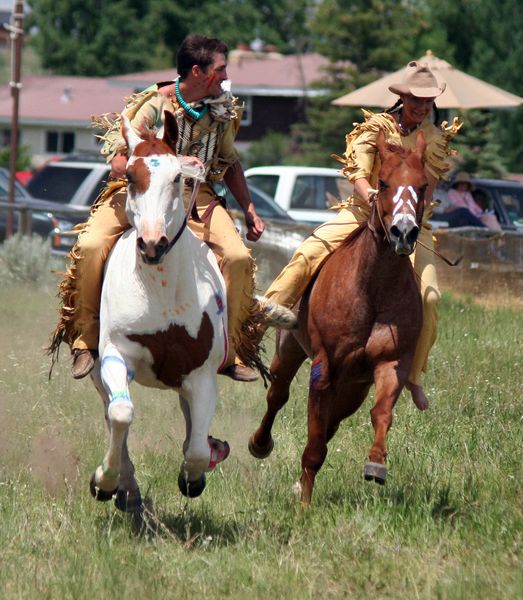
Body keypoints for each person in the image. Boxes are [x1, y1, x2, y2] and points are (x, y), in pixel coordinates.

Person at [49, 34, 265, 383]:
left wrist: (251, 209)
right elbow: (121, 161)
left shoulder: (223, 110)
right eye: (221, 69)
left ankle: (232, 351)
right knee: (89, 246)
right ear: (198, 72)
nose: (226, 77)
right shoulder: (153, 105)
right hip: (140, 191)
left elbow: (231, 162)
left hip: (200, 196)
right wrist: (174, 162)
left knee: (238, 258)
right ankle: (85, 340)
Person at [256, 61, 461, 411]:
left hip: (411, 222)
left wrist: (411, 215)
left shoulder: (435, 140)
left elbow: (430, 187)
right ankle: (256, 327)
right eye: (416, 99)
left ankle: (414, 378)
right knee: (308, 254)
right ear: (403, 97)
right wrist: (372, 197)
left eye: (428, 102)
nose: (422, 107)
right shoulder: (375, 127)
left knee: (429, 296)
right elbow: (358, 174)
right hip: (362, 212)